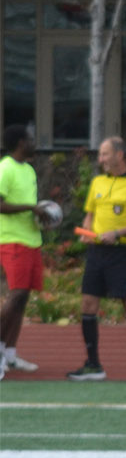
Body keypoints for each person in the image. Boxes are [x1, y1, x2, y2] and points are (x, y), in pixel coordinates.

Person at [68, 136, 126, 381]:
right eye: (100, 155)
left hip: (122, 253)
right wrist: (87, 231)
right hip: (96, 253)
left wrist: (117, 233)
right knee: (88, 305)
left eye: (105, 154)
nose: (101, 159)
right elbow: (90, 214)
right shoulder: (97, 182)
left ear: (119, 155)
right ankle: (93, 365)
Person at [0, 124, 46, 376]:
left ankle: (11, 354)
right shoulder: (5, 168)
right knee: (15, 295)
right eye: (30, 139)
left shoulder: (28, 170)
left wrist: (42, 216)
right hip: (11, 240)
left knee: (23, 299)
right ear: (20, 142)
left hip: (31, 240)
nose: (33, 143)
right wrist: (31, 208)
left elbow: (30, 207)